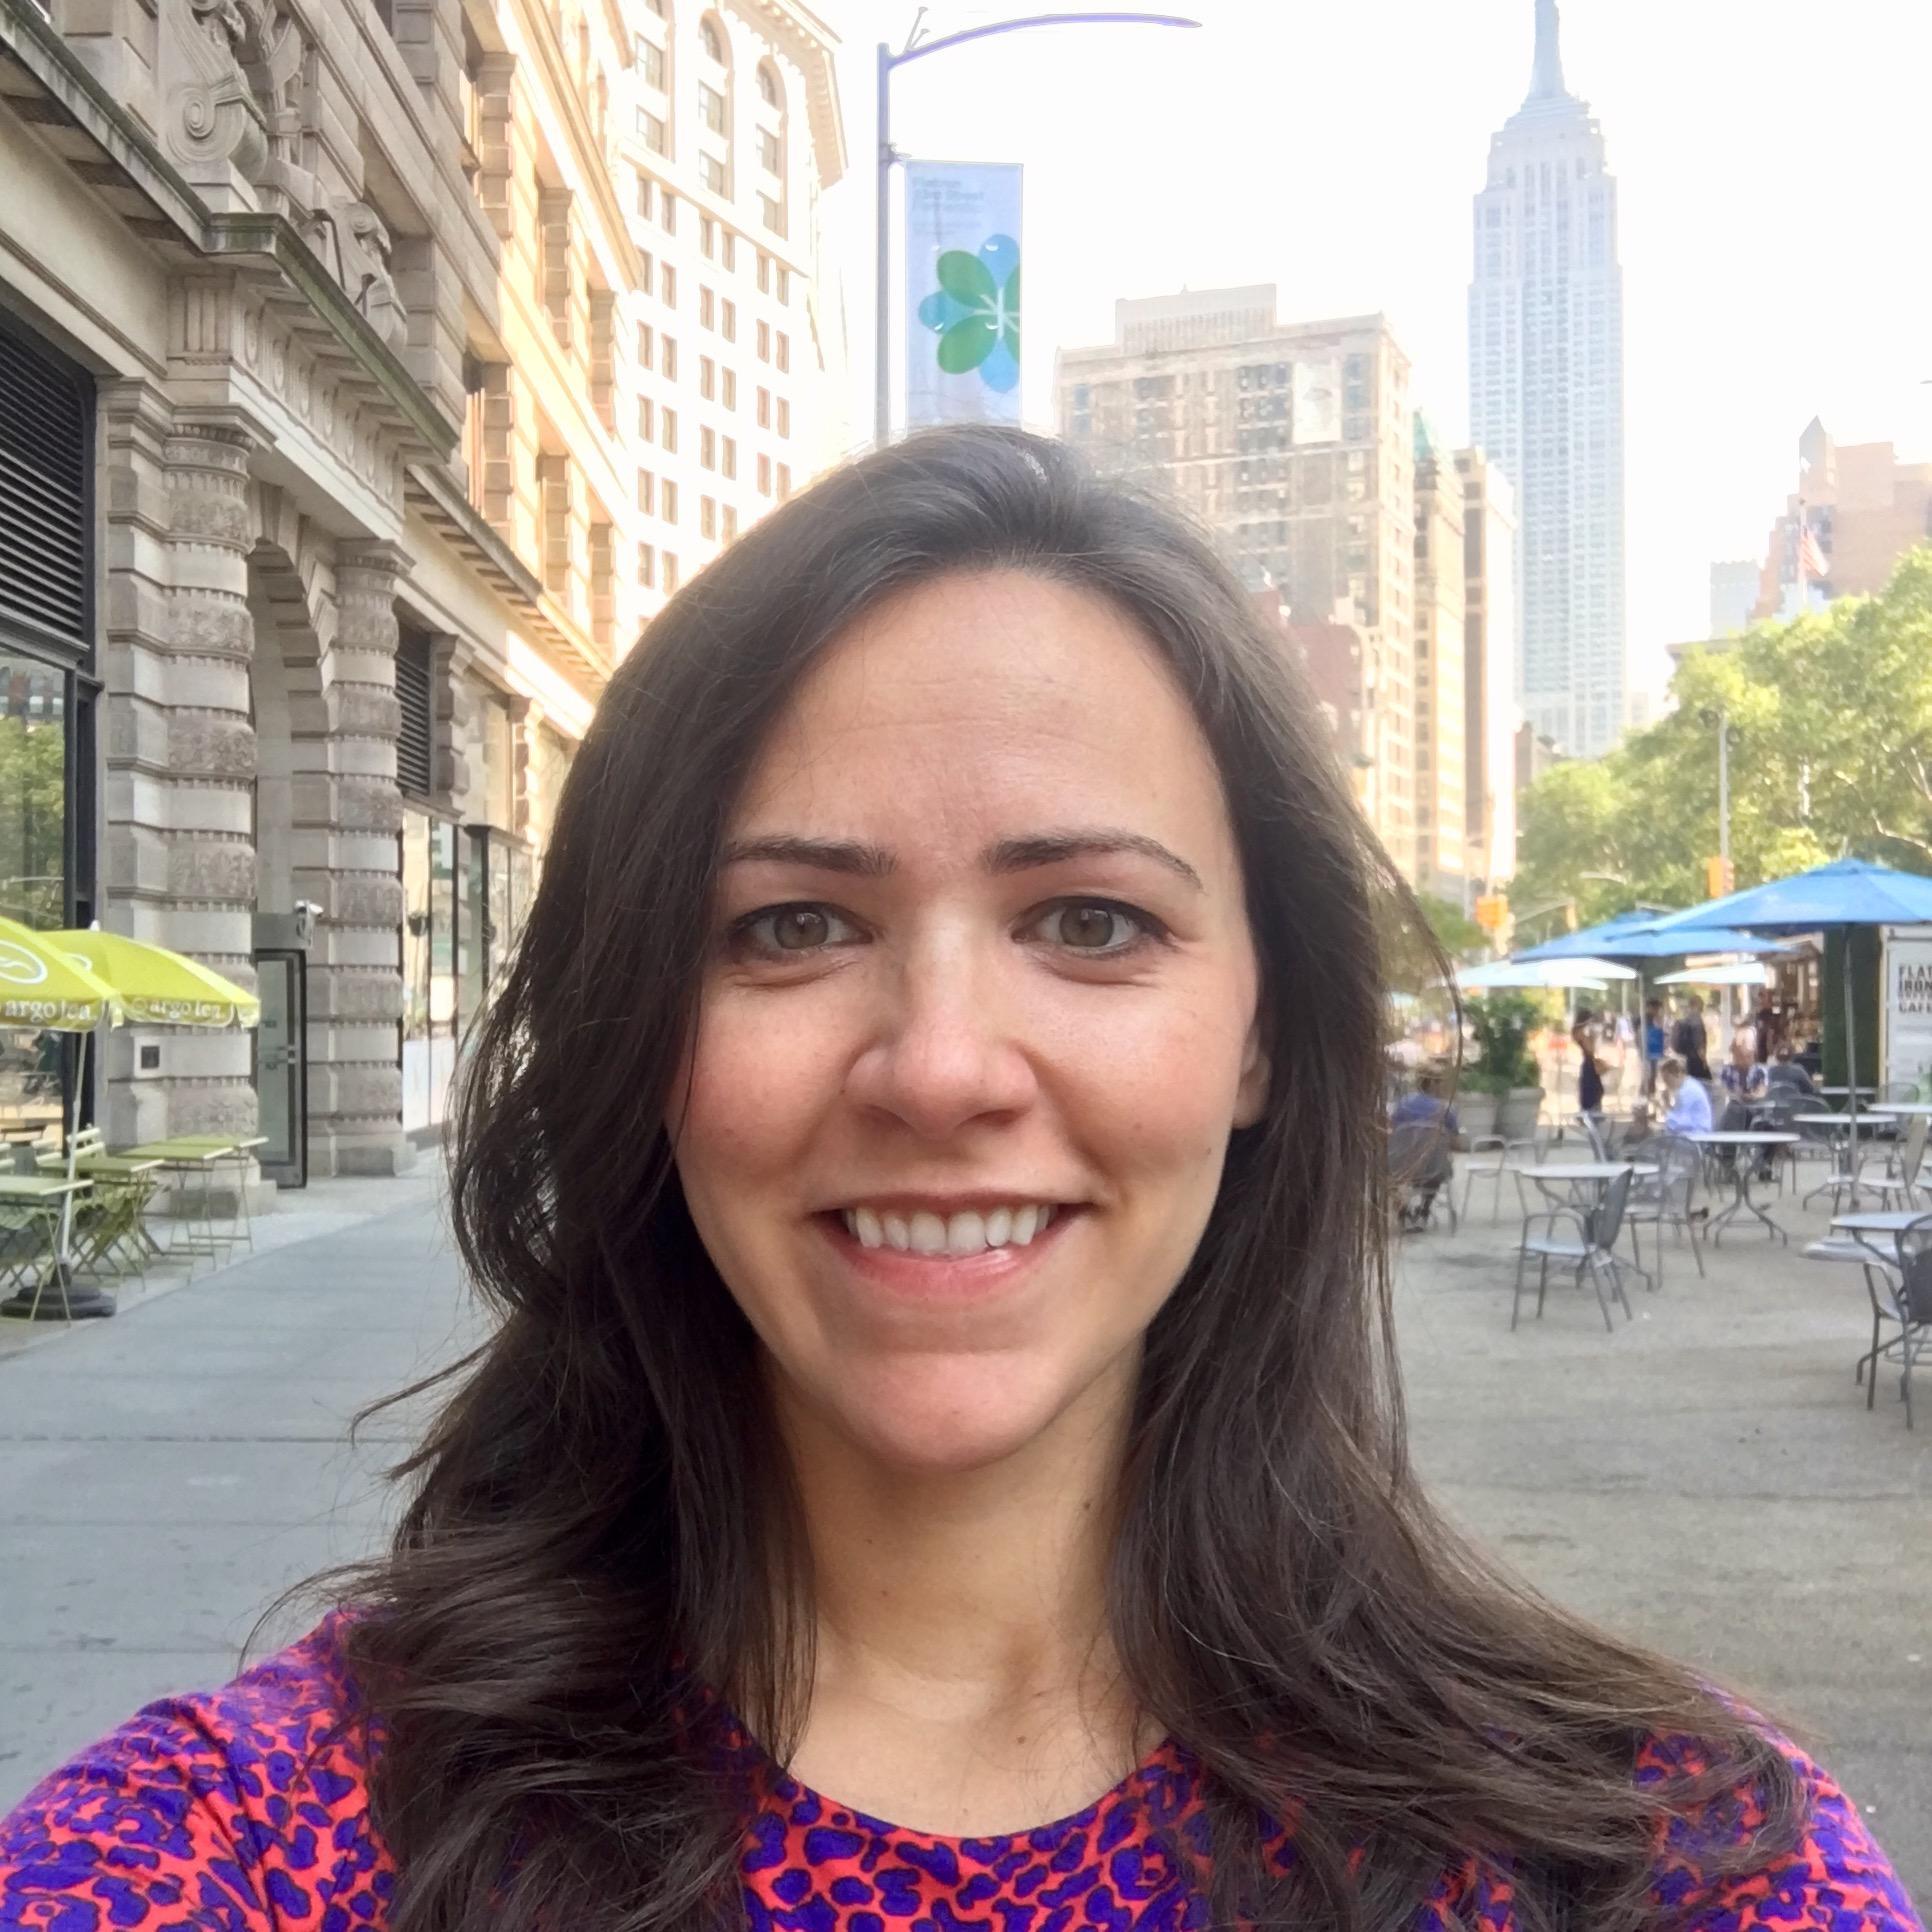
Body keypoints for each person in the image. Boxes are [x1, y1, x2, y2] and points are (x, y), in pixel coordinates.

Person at [1, 429, 1917, 1932]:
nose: (936, 1065)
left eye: (1088, 921)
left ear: (1264, 1029)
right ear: (636, 1024)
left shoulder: (1668, 1857)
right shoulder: (265, 1844)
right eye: (790, 926)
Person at [1390, 1065, 1460, 1230]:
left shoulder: (1402, 1105)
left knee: (1390, 1172)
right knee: (1437, 1162)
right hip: (1433, 1168)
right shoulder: (1445, 1109)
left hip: (1402, 1167)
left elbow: (1392, 1132)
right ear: (1434, 1084)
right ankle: (1424, 1210)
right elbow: (1456, 1142)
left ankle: (1403, 1212)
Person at [1658, 1052, 1715, 1136]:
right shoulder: (1687, 1086)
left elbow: (1677, 1123)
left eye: (1667, 1079)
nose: (1666, 1084)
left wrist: (1666, 1108)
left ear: (1677, 1074)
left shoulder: (1687, 1091)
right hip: (1691, 1133)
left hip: (1696, 1135)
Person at [1671, 993, 1713, 1081]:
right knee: (1703, 1083)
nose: (1703, 1007)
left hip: (1686, 1058)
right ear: (1697, 1005)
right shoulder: (1696, 1020)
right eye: (1701, 1004)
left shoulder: (1686, 1018)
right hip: (1696, 1060)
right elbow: (1699, 1043)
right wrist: (1704, 1061)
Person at [1571, 1008, 1605, 1118]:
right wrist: (1592, 1038)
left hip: (1588, 1062)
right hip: (1589, 1063)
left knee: (1592, 1090)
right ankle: (1591, 1114)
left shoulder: (1578, 1031)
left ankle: (1590, 1112)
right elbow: (1590, 1049)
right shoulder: (1581, 1032)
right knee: (1592, 1090)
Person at [1642, 996, 1668, 1098]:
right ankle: (1647, 1095)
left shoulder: (1654, 1019)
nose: (1658, 1011)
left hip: (1654, 1052)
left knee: (1652, 1075)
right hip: (1649, 1052)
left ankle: (1650, 1095)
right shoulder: (1646, 1020)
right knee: (1649, 1075)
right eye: (1656, 1008)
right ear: (1650, 1008)